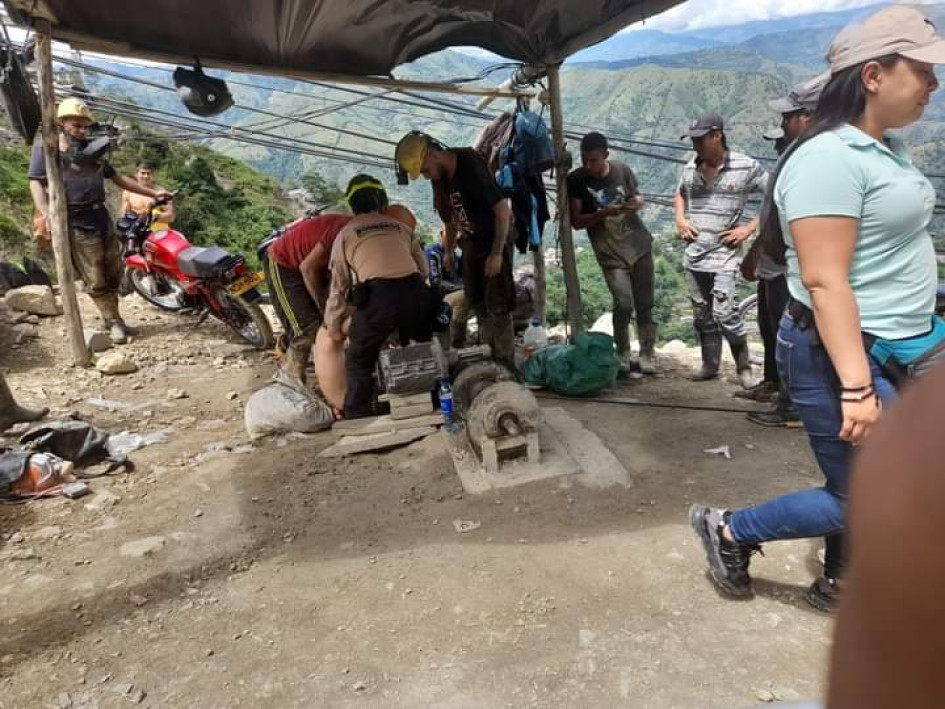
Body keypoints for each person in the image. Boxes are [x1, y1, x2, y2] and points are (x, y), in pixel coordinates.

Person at [689, 4, 945, 613]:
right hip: (845, 353)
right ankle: (730, 529)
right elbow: (826, 283)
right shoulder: (826, 159)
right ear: (874, 76)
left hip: (912, 338)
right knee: (857, 495)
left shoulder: (885, 146)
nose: (934, 84)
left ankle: (845, 577)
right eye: (923, 70)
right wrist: (857, 388)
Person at [28, 98, 172, 344]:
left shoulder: (91, 151)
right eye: (77, 125)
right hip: (75, 220)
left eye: (86, 126)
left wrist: (154, 193)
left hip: (100, 216)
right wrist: (47, 214)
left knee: (114, 270)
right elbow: (35, 182)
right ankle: (112, 321)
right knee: (95, 275)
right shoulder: (48, 148)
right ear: (62, 123)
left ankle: (114, 317)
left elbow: (118, 179)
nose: (82, 130)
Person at [739, 75, 827, 426]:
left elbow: (781, 220)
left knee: (787, 336)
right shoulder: (798, 155)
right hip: (777, 265)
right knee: (773, 327)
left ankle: (792, 406)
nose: (782, 123)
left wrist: (756, 252)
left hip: (788, 268)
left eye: (787, 116)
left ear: (807, 116)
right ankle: (782, 392)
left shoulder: (811, 157)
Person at [395, 132, 515, 365]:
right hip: (471, 241)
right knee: (476, 300)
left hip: (494, 238)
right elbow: (449, 221)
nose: (428, 176)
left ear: (432, 154)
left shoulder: (469, 166)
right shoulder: (440, 181)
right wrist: (449, 251)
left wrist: (497, 253)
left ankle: (507, 365)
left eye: (426, 170)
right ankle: (490, 358)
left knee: (497, 305)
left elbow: (503, 213)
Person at [323, 175, 434, 418]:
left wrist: (333, 325)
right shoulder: (402, 228)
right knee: (418, 350)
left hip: (378, 298)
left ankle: (358, 415)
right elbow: (423, 270)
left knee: (359, 359)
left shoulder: (346, 234)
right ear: (383, 202)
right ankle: (429, 400)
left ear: (352, 206)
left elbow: (339, 287)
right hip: (416, 295)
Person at [675, 114, 768, 387]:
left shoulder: (745, 166)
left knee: (725, 313)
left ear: (717, 135)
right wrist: (680, 219)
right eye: (693, 140)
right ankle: (710, 365)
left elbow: (776, 195)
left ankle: (744, 369)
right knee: (702, 314)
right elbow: (680, 193)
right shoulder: (691, 166)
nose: (695, 146)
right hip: (694, 255)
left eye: (699, 139)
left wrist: (749, 228)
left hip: (725, 255)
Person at [568, 131, 656, 374]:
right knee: (624, 303)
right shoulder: (576, 180)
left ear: (606, 155)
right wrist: (602, 214)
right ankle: (623, 353)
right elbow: (576, 221)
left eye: (594, 160)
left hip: (638, 245)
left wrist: (637, 202)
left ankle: (648, 352)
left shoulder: (622, 170)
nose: (589, 165)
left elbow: (637, 196)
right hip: (608, 251)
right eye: (585, 160)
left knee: (645, 303)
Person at [264, 211, 353, 383]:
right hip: (284, 263)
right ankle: (293, 385)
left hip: (317, 266)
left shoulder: (365, 233)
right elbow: (307, 268)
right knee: (306, 331)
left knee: (336, 317)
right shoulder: (343, 231)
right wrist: (323, 307)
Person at [425, 232, 468, 349]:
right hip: (437, 297)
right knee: (462, 297)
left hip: (451, 293)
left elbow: (462, 277)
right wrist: (460, 287)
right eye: (451, 238)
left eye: (457, 240)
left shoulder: (455, 256)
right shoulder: (433, 253)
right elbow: (436, 282)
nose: (454, 243)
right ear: (442, 235)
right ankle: (457, 342)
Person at [120, 162, 176, 231]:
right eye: (143, 173)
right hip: (136, 231)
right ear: (136, 174)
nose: (146, 176)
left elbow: (171, 217)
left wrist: (156, 217)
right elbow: (124, 215)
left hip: (157, 232)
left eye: (148, 173)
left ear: (153, 176)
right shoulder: (128, 192)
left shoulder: (161, 192)